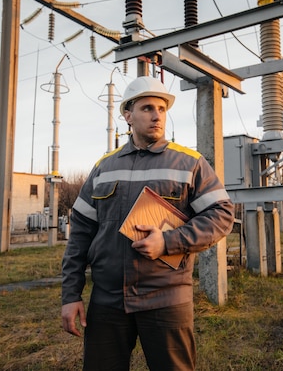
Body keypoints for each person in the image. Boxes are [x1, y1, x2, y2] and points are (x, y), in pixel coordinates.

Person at [61, 75, 235, 370]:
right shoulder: (104, 167)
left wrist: (168, 242)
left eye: (162, 108)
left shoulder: (190, 163)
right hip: (107, 300)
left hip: (166, 298)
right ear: (128, 116)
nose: (157, 115)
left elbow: (221, 214)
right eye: (147, 108)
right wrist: (70, 294)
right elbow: (80, 233)